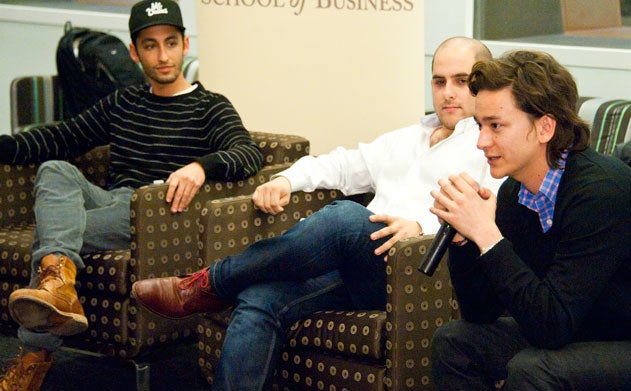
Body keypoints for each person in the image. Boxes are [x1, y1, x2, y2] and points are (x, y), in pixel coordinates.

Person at [132, 36, 505, 390]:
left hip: (417, 272)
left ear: (484, 83)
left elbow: (494, 210)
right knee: (259, 299)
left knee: (346, 218)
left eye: (462, 81)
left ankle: (210, 283)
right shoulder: (409, 136)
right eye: (439, 81)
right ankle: (216, 291)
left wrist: (422, 225)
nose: (448, 92)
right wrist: (286, 179)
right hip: (359, 264)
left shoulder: (488, 145)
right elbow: (343, 164)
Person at [0, 1, 264, 389]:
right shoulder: (125, 102)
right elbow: (61, 136)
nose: (162, 55)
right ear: (134, 52)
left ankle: (36, 351)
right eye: (151, 45)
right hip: (111, 200)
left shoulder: (210, 107)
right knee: (54, 168)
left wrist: (201, 166)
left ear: (185, 45)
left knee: (54, 228)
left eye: (170, 43)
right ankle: (58, 286)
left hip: (153, 213)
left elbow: (248, 153)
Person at [429, 50, 631, 390]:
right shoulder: (514, 193)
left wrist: (489, 236)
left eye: (496, 126)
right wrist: (467, 241)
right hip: (579, 332)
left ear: (545, 127)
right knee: (454, 342)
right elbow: (481, 312)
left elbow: (552, 325)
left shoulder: (600, 192)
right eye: (480, 126)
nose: (481, 142)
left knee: (533, 368)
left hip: (620, 340)